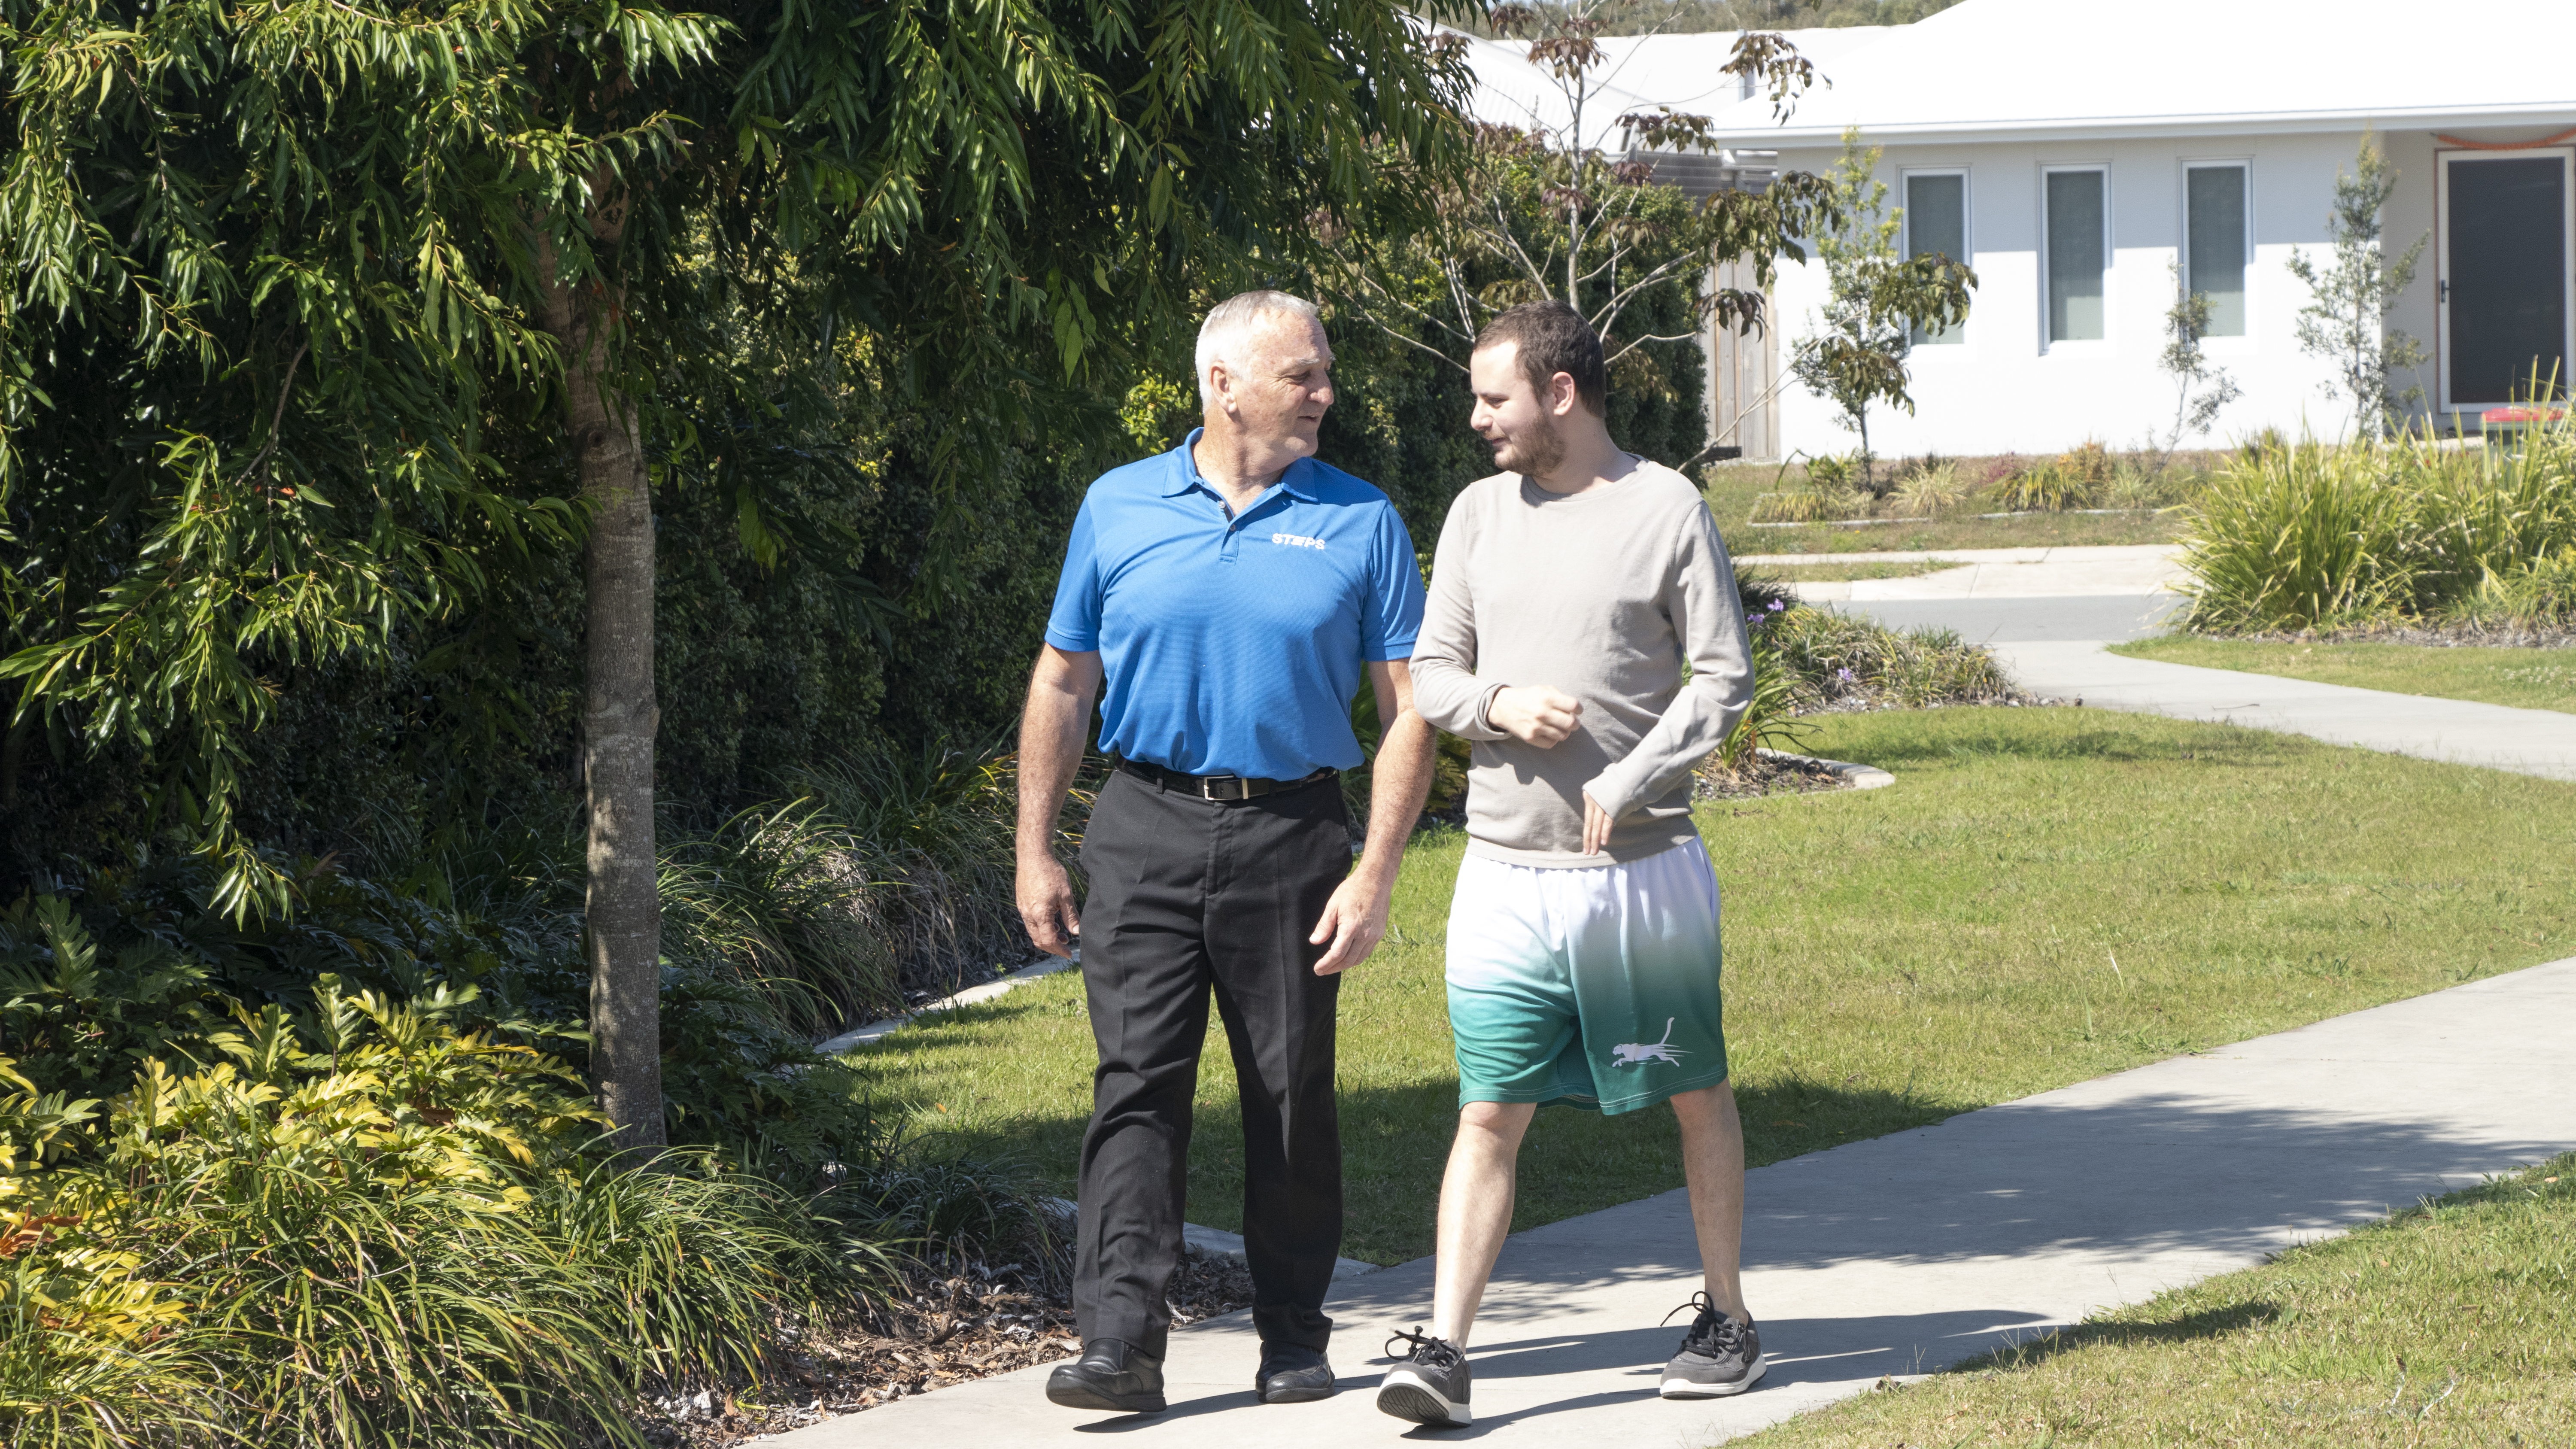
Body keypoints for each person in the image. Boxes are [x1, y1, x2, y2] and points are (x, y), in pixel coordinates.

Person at [1016, 290, 1439, 1415]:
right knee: (1136, 1086)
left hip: (1292, 832)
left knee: (1290, 1093)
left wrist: (1376, 869)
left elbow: (1410, 712)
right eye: (1303, 375)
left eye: (1325, 372)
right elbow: (1063, 680)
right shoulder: (1118, 507)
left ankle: (1295, 1333)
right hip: (1143, 826)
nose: (1325, 394)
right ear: (1223, 384)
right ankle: (1118, 1344)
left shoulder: (1362, 519)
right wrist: (1034, 849)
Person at [1377, 300, 1761, 1428]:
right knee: (1487, 1110)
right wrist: (1497, 703)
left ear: (1560, 393)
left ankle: (1727, 1315)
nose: (1475, 417)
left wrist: (1633, 772)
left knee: (1695, 1091)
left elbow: (1722, 678)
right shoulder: (1476, 516)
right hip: (1502, 876)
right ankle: (1445, 1347)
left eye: (1493, 396)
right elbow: (1430, 675)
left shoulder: (1665, 508)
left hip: (1640, 876)